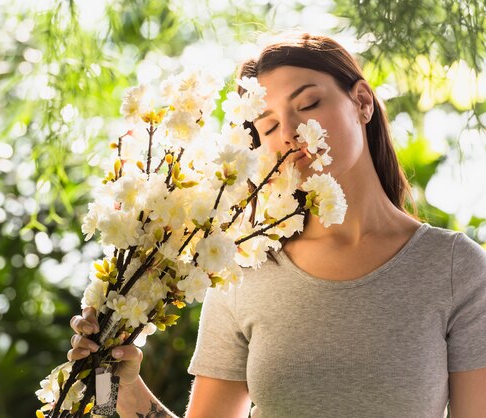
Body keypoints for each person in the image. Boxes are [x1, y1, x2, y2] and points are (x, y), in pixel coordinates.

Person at [68, 33, 486, 417]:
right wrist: (107, 377)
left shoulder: (454, 268)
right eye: (267, 125)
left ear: (362, 101)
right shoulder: (242, 269)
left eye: (307, 105)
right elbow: (112, 404)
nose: (289, 132)